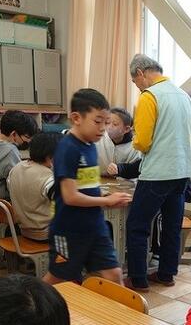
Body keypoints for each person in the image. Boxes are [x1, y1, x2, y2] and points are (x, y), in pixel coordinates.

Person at [43, 88, 132, 285]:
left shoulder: (91, 145)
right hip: (68, 229)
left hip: (94, 225)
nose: (103, 128)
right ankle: (30, 301)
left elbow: (87, 185)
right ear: (76, 118)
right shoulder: (68, 148)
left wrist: (105, 198)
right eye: (97, 121)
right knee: (59, 277)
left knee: (114, 274)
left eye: (106, 122)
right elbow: (70, 197)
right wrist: (106, 201)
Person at [125, 54, 191, 291]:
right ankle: (166, 274)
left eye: (135, 82)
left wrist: (135, 141)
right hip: (182, 171)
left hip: (157, 173)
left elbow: (143, 141)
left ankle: (138, 279)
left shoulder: (149, 96)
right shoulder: (184, 96)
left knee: (137, 225)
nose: (137, 86)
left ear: (141, 73)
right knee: (172, 226)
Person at [7, 132, 61, 241]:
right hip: (46, 233)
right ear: (50, 158)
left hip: (24, 230)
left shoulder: (16, 168)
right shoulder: (48, 178)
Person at [98, 107, 140, 177]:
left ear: (126, 129)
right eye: (107, 123)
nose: (109, 127)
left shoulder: (135, 146)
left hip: (124, 183)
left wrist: (120, 169)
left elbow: (136, 169)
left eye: (115, 124)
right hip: (101, 180)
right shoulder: (99, 138)